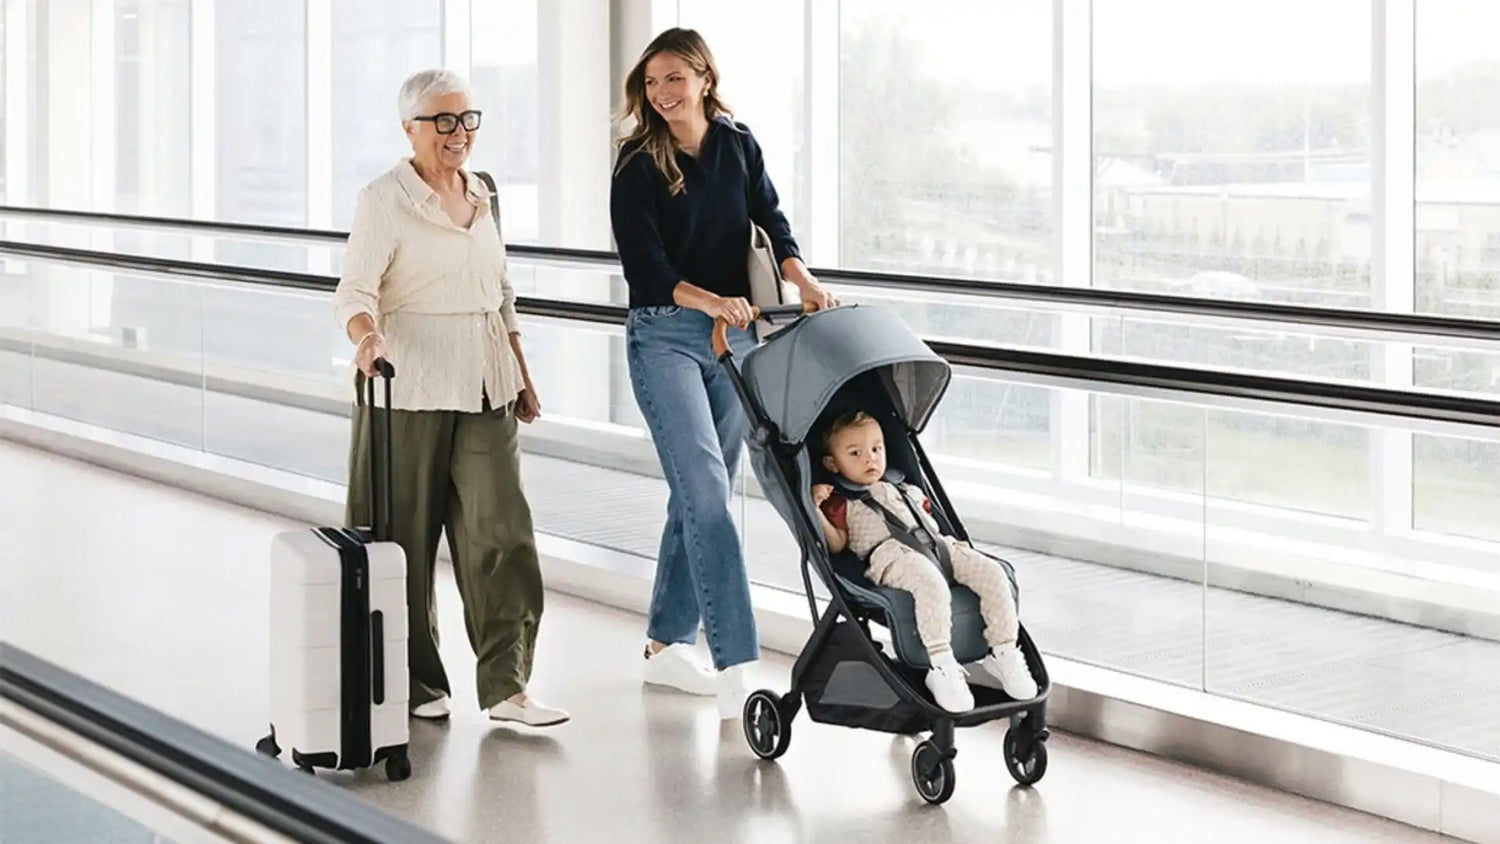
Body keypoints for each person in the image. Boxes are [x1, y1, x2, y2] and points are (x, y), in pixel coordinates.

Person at [609, 27, 839, 719]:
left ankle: (662, 647)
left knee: (696, 495)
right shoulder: (636, 165)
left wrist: (804, 279)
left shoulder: (737, 145)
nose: (661, 93)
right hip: (667, 338)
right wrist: (714, 302)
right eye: (651, 82)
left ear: (705, 79)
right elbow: (646, 273)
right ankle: (736, 660)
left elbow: (769, 221)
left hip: (733, 344)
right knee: (709, 493)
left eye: (675, 78)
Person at [333, 68, 567, 728]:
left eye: (467, 120)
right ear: (409, 128)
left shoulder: (485, 193)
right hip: (407, 383)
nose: (458, 133)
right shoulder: (384, 199)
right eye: (442, 121)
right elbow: (354, 291)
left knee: (503, 531)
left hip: (487, 378)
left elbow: (503, 290)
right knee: (400, 538)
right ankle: (412, 683)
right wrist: (367, 337)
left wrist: (521, 370)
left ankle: (507, 686)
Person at [812, 411, 1038, 712]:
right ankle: (941, 663)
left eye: (876, 449)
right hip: (891, 555)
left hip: (938, 546)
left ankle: (1004, 650)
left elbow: (931, 520)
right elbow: (837, 544)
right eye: (855, 453)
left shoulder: (903, 485)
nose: (870, 459)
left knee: (993, 573)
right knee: (930, 583)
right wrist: (816, 508)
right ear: (833, 464)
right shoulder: (841, 502)